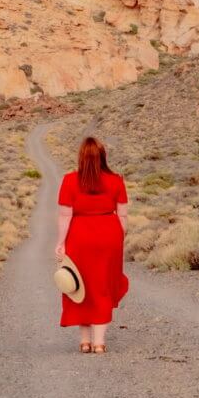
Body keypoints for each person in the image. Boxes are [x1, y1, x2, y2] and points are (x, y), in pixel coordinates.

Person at [55, 136, 129, 353]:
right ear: (103, 157)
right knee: (103, 286)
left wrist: (60, 243)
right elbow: (123, 216)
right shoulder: (116, 180)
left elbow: (64, 216)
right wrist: (118, 237)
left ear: (81, 158)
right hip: (109, 236)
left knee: (80, 285)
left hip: (79, 237)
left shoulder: (69, 180)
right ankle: (99, 343)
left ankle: (85, 341)